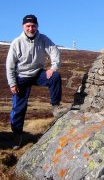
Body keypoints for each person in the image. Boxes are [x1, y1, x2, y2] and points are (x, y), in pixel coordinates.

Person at [6, 14, 66, 149]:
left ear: (37, 26)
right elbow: (9, 65)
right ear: (23, 27)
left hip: (38, 73)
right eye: (28, 26)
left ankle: (56, 107)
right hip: (21, 76)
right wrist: (12, 83)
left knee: (55, 77)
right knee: (19, 108)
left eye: (33, 26)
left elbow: (54, 51)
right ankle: (17, 136)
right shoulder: (17, 42)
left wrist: (53, 67)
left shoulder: (43, 39)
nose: (31, 28)